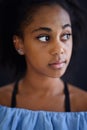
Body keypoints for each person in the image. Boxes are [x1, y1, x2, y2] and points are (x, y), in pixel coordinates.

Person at [0, 0, 87, 129]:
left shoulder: (83, 106)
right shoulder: (2, 102)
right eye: (44, 37)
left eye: (66, 35)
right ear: (19, 44)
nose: (59, 49)